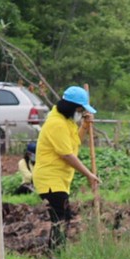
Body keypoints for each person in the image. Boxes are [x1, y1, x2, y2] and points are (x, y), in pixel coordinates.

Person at [31, 86, 100, 249]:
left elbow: (73, 143)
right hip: (50, 179)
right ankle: (56, 253)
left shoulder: (66, 121)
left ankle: (56, 251)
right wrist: (89, 174)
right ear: (71, 107)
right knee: (61, 218)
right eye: (79, 110)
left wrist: (85, 126)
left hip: (60, 179)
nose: (80, 113)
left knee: (62, 218)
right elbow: (67, 154)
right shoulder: (56, 124)